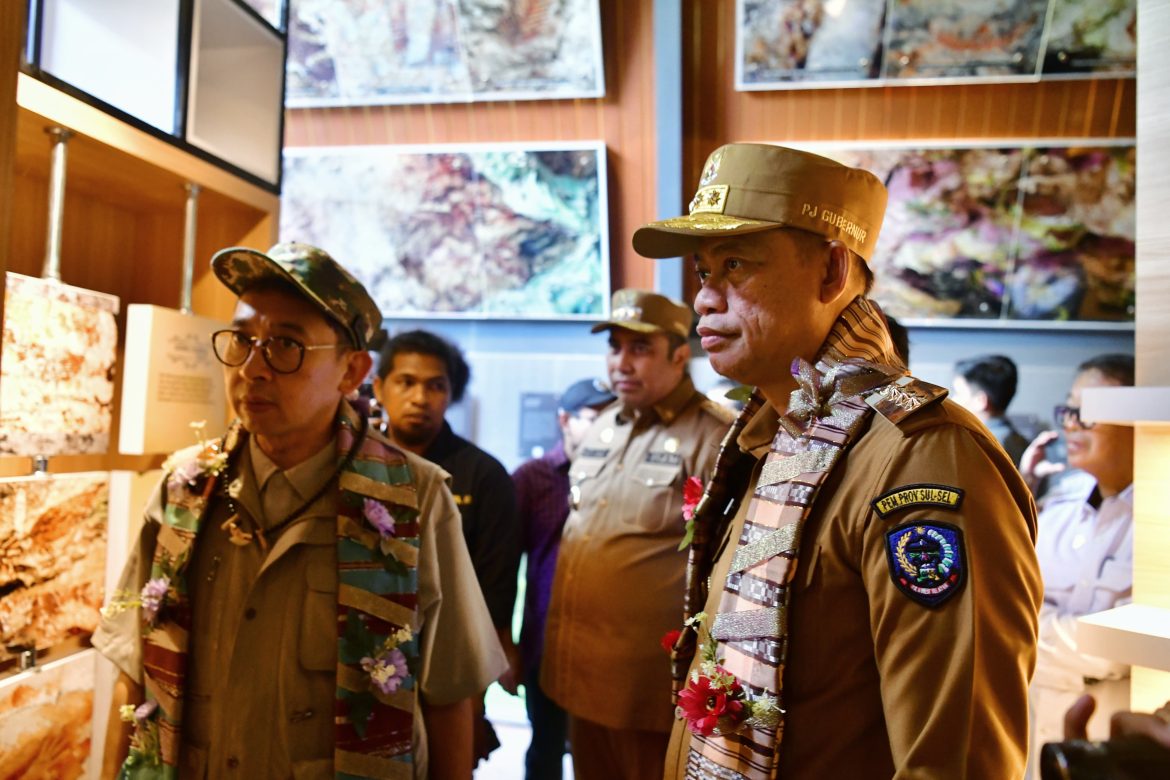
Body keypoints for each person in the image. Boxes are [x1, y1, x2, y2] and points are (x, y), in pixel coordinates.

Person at [632, 143, 1043, 778]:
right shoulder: (773, 435)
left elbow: (958, 759)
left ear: (831, 272)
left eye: (735, 264)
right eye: (702, 272)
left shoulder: (923, 458)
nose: (704, 302)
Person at [94, 242, 505, 779]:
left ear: (351, 370)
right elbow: (134, 669)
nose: (252, 368)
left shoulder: (414, 498)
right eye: (242, 340)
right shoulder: (184, 490)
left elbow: (451, 694)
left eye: (285, 345)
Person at [541, 289, 734, 780]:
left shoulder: (713, 435)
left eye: (640, 349)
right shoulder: (605, 422)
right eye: (615, 348)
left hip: (646, 689)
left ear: (679, 355)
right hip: (579, 674)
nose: (622, 363)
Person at [372, 328, 522, 762]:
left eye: (435, 385)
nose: (420, 397)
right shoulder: (354, 464)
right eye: (406, 382)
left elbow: (497, 586)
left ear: (451, 393)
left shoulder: (484, 476)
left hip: (453, 652)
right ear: (379, 386)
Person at [1025, 354, 1135, 778]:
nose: (1072, 423)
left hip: (1115, 723)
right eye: (1071, 409)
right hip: (1036, 717)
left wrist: (1024, 631)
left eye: (1090, 414)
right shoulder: (1061, 501)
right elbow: (1005, 598)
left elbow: (1115, 648)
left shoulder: (1155, 516)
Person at [512, 377, 616, 780]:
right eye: (593, 418)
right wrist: (506, 641)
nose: (605, 428)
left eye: (613, 417)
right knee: (546, 750)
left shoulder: (620, 478)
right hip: (545, 645)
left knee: (602, 756)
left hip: (606, 646)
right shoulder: (531, 478)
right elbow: (504, 568)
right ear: (564, 421)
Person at [951, 354, 1030, 465]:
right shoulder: (1017, 440)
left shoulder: (983, 444)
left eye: (958, 393)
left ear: (981, 401)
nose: (953, 400)